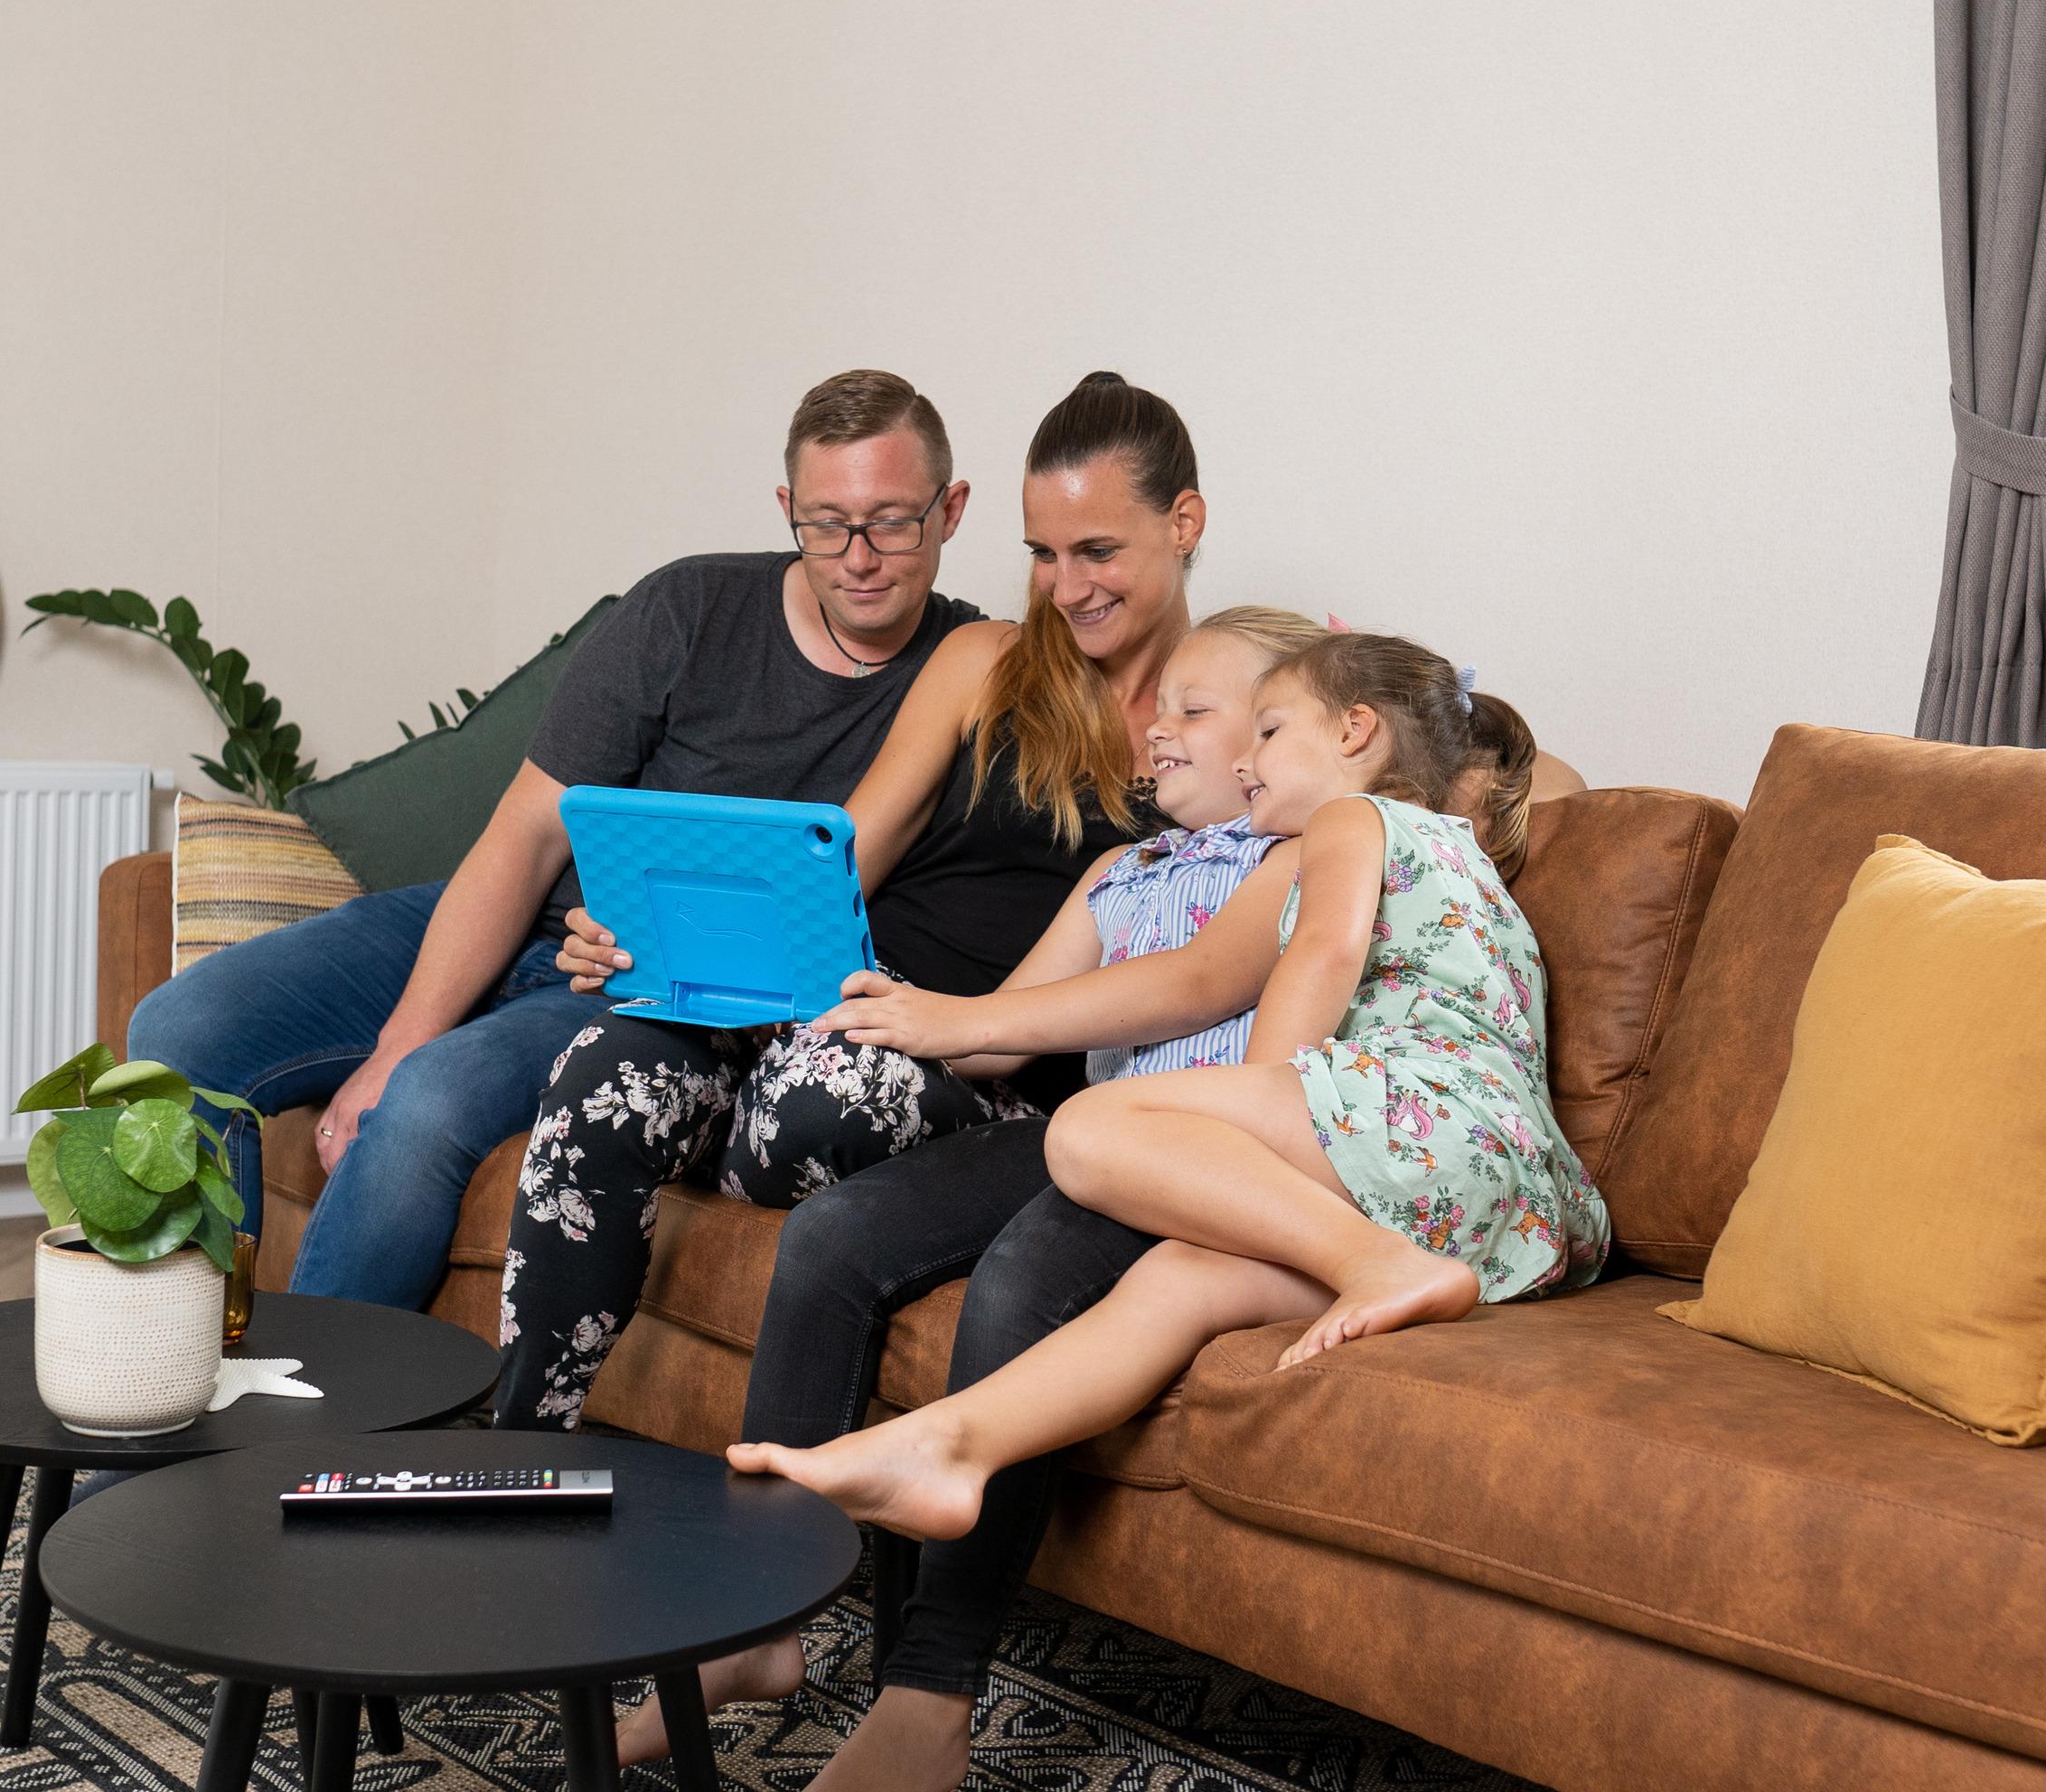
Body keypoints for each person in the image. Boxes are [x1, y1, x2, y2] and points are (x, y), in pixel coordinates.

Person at [734, 629, 1610, 1614]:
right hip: (1497, 1205)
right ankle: (956, 1447)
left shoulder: (1353, 818)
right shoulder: (1453, 853)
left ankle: (1380, 1264)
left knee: (1087, 1130)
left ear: (1356, 733)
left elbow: (1323, 954)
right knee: (1176, 1285)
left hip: (1423, 1117)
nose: (1247, 759)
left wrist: (1252, 1110)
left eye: (1269, 730)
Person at [125, 368, 999, 1310]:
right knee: (175, 1031)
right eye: (827, 524)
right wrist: (398, 1041)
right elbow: (527, 833)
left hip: (634, 992)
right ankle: (175, 1361)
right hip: (524, 923)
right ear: (787, 509)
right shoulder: (689, 608)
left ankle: (315, 1400)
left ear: (950, 511)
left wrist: (411, 1068)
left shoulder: (974, 672)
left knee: (427, 1103)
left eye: (892, 523)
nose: (858, 557)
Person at [487, 371, 1211, 1427]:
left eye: (1095, 551)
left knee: (814, 1098)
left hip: (988, 1055)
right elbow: (839, 861)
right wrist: (652, 941)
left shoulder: (1223, 720)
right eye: (1043, 554)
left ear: (1183, 523)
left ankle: (742, 1115)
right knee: (603, 1069)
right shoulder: (985, 660)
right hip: (836, 988)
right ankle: (522, 1451)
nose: (1066, 588)